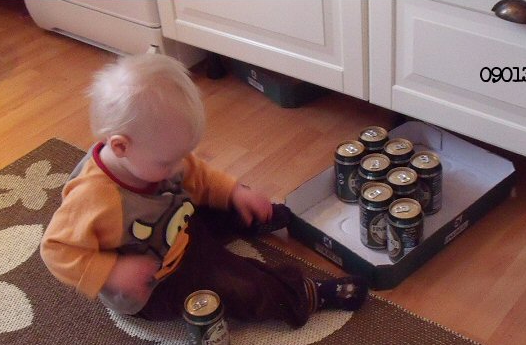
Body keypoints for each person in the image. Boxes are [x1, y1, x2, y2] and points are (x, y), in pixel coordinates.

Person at [40, 53, 368, 328]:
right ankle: (300, 296)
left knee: (216, 196)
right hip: (158, 281)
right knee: (237, 285)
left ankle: (247, 216)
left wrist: (235, 193)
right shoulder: (94, 198)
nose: (178, 166)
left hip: (174, 224)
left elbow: (198, 175)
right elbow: (55, 250)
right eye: (167, 161)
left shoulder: (152, 156)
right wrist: (112, 272)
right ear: (120, 147)